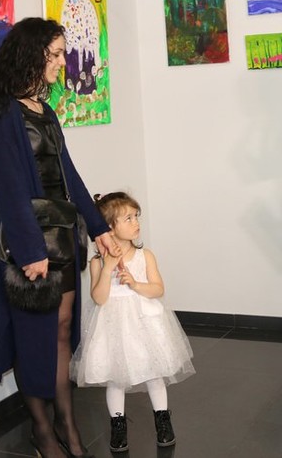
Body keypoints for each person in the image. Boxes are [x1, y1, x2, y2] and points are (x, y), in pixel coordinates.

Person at [0, 17, 120, 458]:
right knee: (34, 339)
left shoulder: (46, 111)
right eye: (55, 54)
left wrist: (99, 228)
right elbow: (9, 187)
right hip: (32, 248)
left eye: (61, 53)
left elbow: (68, 176)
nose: (62, 62)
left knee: (60, 331)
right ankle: (42, 432)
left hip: (63, 239)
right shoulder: (6, 114)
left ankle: (67, 424)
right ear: (32, 56)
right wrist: (29, 251)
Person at [70, 192, 195, 452]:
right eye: (128, 218)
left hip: (143, 323)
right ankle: (118, 424)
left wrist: (136, 284)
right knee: (115, 378)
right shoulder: (98, 263)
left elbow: (158, 289)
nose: (136, 222)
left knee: (153, 372)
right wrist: (108, 268)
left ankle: (162, 419)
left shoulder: (144, 256)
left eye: (136, 216)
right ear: (109, 227)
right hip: (113, 327)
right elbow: (99, 298)